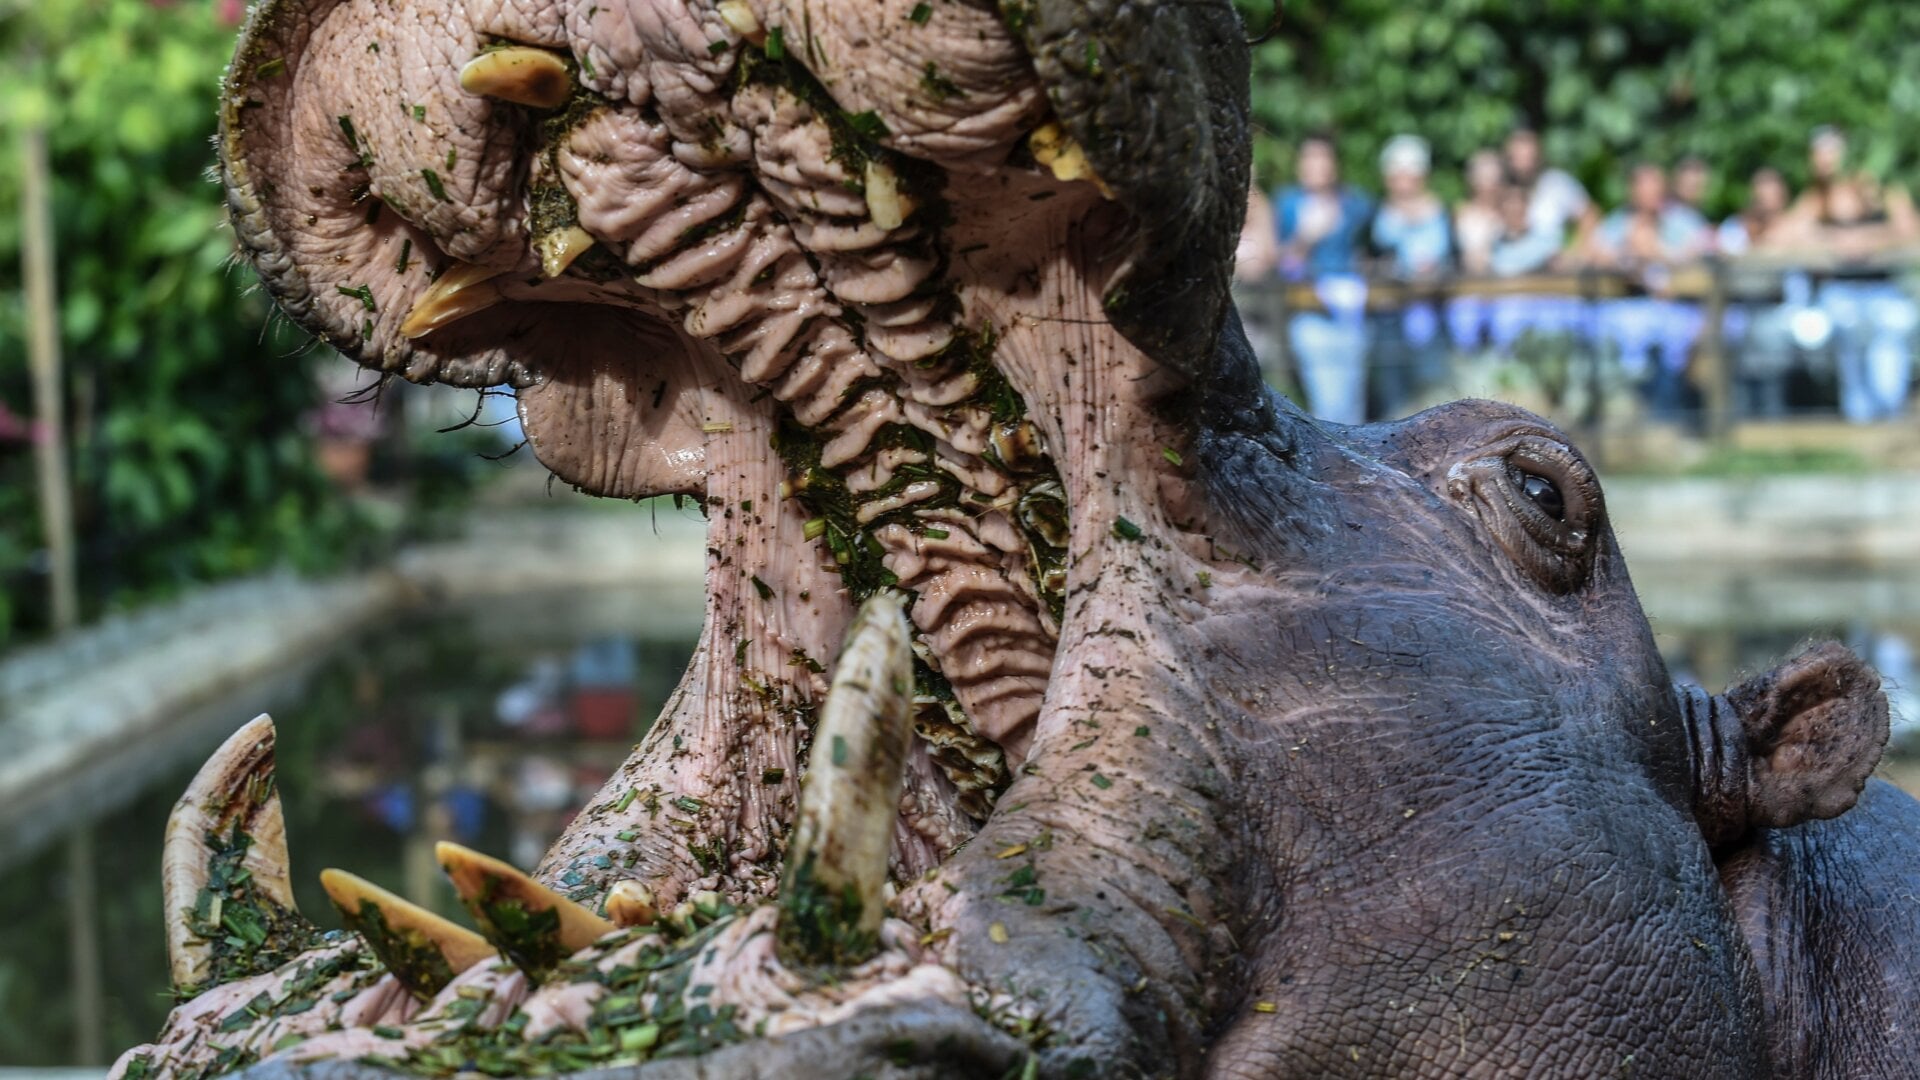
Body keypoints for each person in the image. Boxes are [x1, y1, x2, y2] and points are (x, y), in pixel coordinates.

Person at [1784, 126, 1919, 421]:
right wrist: (1832, 239)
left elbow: (1911, 231)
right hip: (1841, 294)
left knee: (1891, 330)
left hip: (1884, 291)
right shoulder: (1816, 198)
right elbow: (1786, 234)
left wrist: (1870, 239)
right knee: (1848, 335)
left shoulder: (1882, 189)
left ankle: (1888, 413)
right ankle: (1860, 419)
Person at [1589, 163, 1709, 419]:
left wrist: (1657, 252)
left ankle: (1671, 420)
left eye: (1656, 188)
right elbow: (1596, 253)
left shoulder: (1681, 221)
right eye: (1645, 188)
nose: (1652, 195)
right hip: (1631, 308)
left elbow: (1703, 252)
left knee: (1674, 346)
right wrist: (1626, 257)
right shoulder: (1618, 224)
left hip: (1678, 309)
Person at [1273, 135, 1373, 424]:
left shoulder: (1355, 203)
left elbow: (1368, 245)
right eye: (1309, 158)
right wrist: (1308, 235)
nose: (1315, 165)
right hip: (1311, 310)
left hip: (1352, 309)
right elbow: (1282, 260)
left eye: (1322, 158)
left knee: (1354, 401)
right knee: (1328, 402)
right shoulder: (1289, 204)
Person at [1503, 126, 1595, 255]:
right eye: (1517, 151)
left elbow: (1589, 216)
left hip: (1551, 270)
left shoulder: (1556, 183)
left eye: (1528, 149)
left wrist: (1574, 254)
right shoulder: (1498, 187)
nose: (1523, 156)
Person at [1453, 149, 1506, 276]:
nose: (1491, 185)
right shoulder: (1461, 213)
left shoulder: (1509, 213)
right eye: (1485, 179)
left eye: (1495, 179)